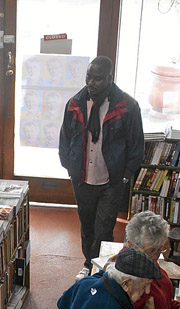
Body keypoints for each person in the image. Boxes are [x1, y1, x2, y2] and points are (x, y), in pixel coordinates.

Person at [59, 56, 144, 280]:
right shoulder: (74, 104)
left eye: (98, 78)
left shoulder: (128, 106)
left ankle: (100, 269)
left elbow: (136, 144)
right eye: (89, 77)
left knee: (104, 228)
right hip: (82, 178)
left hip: (111, 181)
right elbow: (65, 138)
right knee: (86, 225)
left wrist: (125, 176)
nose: (91, 83)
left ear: (109, 78)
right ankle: (89, 263)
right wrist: (69, 166)